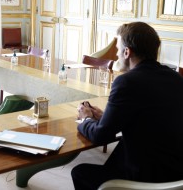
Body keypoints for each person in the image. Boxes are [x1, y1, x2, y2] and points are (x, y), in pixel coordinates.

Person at [72, 22, 183, 190]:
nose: (116, 55)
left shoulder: (126, 82)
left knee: (80, 172)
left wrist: (86, 118)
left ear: (127, 52)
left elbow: (101, 136)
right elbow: (150, 120)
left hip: (147, 176)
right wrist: (106, 118)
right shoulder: (175, 78)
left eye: (118, 49)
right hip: (176, 172)